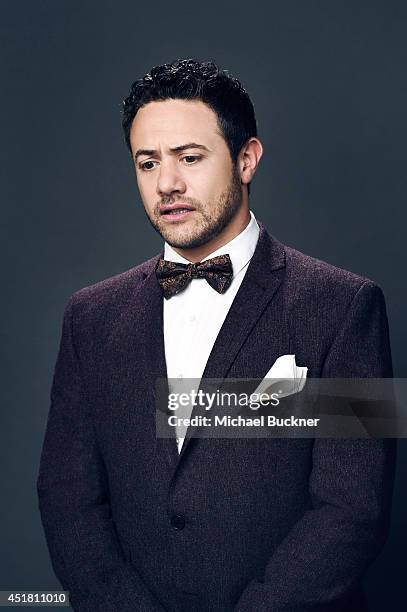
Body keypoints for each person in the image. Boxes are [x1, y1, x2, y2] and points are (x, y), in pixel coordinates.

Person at [37, 58, 396, 612]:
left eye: (190, 157)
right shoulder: (89, 316)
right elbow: (67, 498)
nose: (167, 184)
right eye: (147, 162)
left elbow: (353, 508)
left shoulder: (347, 305)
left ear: (246, 159)